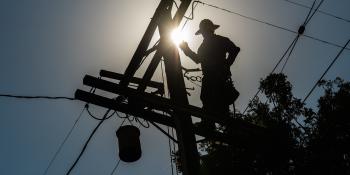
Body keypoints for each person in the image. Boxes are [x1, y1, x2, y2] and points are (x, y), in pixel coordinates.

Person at [179, 19, 240, 129]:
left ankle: (211, 124)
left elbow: (235, 50)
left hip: (217, 77)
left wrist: (226, 64)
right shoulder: (207, 45)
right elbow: (198, 59)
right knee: (210, 99)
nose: (204, 33)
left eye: (204, 31)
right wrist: (186, 49)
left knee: (210, 99)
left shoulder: (218, 41)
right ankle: (215, 124)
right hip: (213, 77)